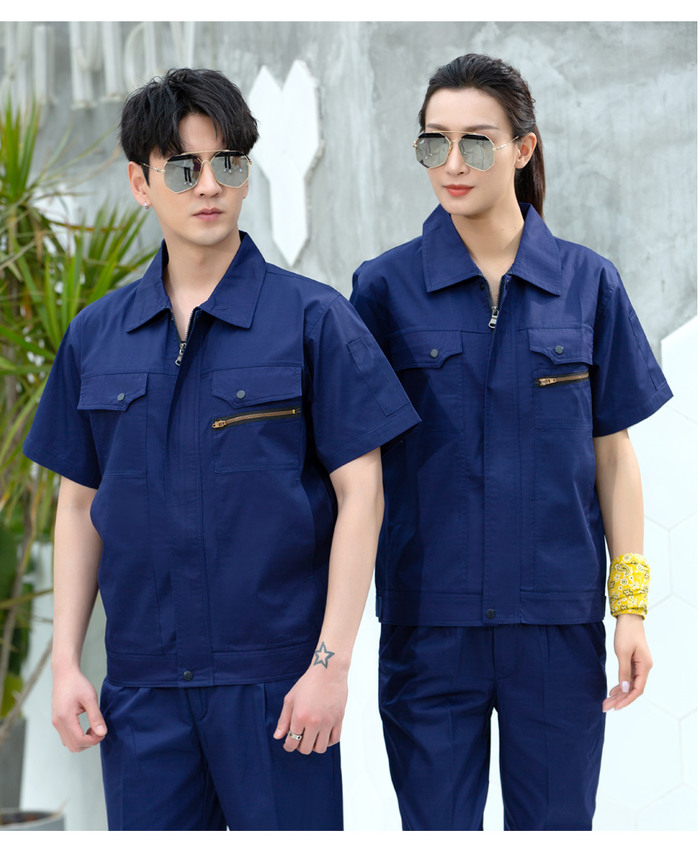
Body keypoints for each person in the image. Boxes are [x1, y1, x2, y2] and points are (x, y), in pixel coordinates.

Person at [23, 67, 419, 831]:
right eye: (183, 168)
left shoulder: (314, 320)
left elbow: (362, 496)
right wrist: (68, 663)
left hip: (278, 689)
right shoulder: (96, 336)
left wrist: (329, 667)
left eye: (228, 164)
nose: (210, 185)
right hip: (143, 693)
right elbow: (78, 508)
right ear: (140, 183)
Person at [351, 53, 672, 831]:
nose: (453, 164)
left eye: (476, 141)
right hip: (430, 624)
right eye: (434, 142)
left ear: (524, 148)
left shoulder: (589, 284)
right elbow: (355, 471)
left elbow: (613, 458)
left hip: (557, 625)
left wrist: (630, 610)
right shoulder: (383, 290)